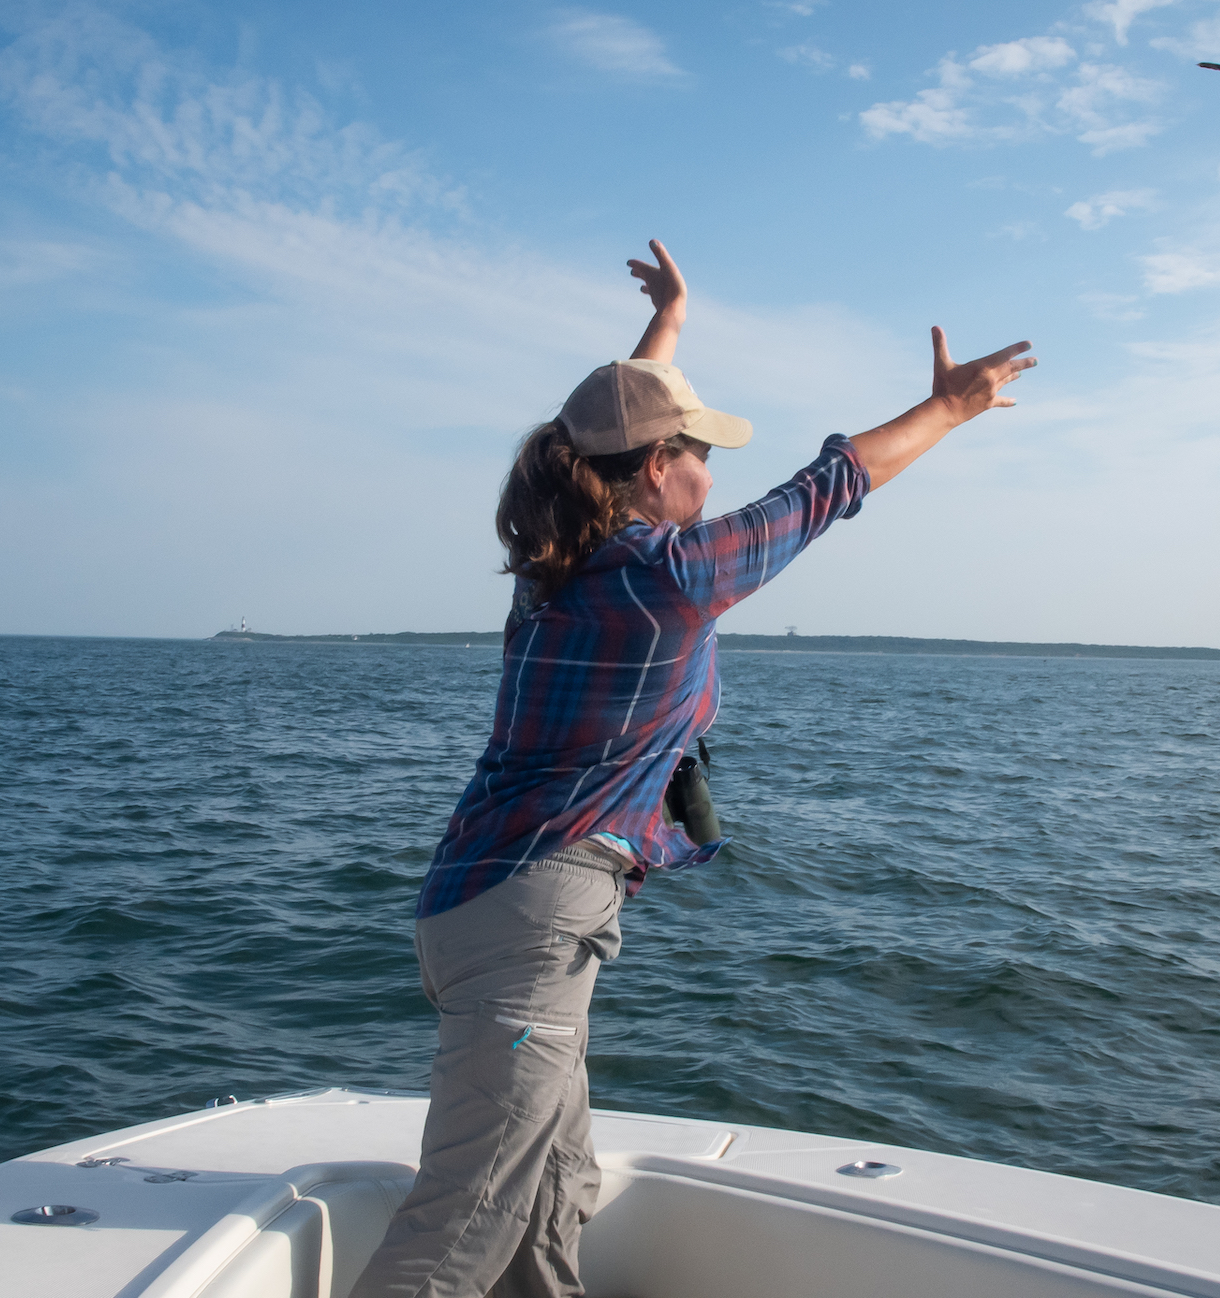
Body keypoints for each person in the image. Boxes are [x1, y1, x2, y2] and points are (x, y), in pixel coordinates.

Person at [354, 241, 1034, 1298]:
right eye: (696, 453)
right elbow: (826, 488)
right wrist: (947, 408)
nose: (710, 476)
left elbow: (600, 427)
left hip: (483, 905)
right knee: (469, 1214)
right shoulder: (663, 578)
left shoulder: (559, 561)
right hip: (529, 922)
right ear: (656, 468)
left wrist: (667, 323)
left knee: (550, 1189)